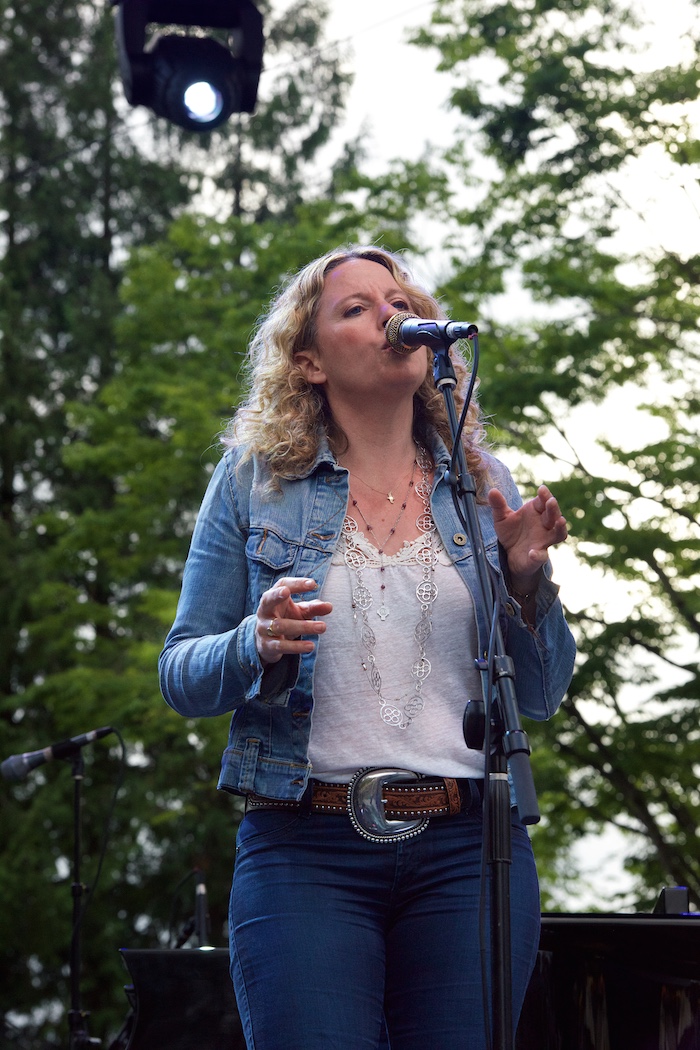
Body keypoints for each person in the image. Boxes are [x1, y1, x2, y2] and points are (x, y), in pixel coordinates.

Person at [159, 245, 576, 1050]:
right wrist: (255, 641)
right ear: (308, 363)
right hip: (303, 845)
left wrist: (526, 582)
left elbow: (541, 694)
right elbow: (181, 672)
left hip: (469, 849)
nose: (391, 315)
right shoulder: (255, 481)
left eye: (399, 300)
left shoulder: (480, 481)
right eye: (357, 308)